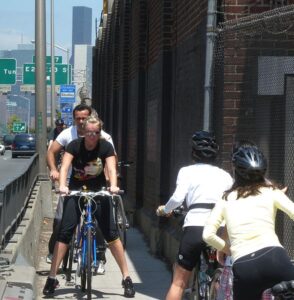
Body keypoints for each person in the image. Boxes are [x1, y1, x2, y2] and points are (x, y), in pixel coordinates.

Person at [43, 116, 135, 298]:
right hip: (76, 190)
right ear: (83, 132)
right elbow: (65, 167)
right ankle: (52, 277)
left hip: (99, 191)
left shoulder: (105, 146)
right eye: (90, 132)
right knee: (65, 232)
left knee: (112, 233)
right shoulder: (75, 146)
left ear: (100, 132)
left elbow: (110, 168)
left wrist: (113, 186)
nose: (93, 136)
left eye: (96, 132)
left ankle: (126, 277)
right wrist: (63, 186)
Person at [203, 144, 294, 300]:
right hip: (276, 259)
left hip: (245, 266)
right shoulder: (272, 191)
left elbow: (207, 235)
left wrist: (228, 249)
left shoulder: (226, 199)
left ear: (235, 171)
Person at [156, 130, 233, 300]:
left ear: (193, 153)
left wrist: (166, 209)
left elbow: (177, 198)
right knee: (220, 277)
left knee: (179, 283)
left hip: (195, 228)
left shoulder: (186, 171)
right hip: (220, 229)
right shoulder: (226, 176)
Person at [46, 104, 112, 274]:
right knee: (62, 220)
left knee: (96, 222)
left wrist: (109, 182)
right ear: (74, 119)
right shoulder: (67, 134)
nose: (81, 121)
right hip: (68, 183)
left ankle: (99, 256)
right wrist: (54, 170)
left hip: (94, 183)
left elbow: (110, 162)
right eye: (78, 118)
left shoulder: (102, 136)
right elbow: (51, 152)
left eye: (84, 118)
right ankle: (55, 254)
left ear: (91, 118)